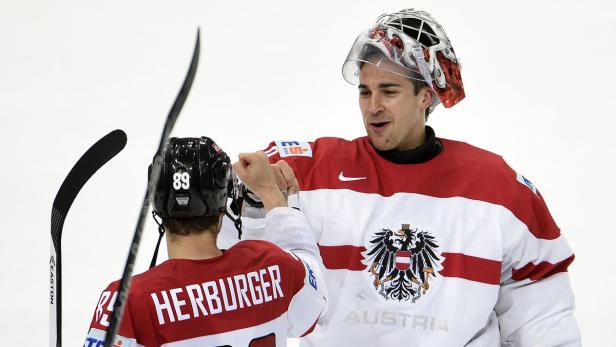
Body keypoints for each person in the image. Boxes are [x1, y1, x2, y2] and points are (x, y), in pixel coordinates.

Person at [222, 8, 581, 346]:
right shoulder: (309, 171)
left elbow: (543, 314)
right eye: (365, 91)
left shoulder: (498, 188)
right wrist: (232, 190)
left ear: (426, 95)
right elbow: (220, 233)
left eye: (389, 91)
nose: (373, 106)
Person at [83, 136, 327, 347]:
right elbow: (310, 306)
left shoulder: (127, 301)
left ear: (157, 205)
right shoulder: (272, 265)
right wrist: (271, 193)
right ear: (223, 205)